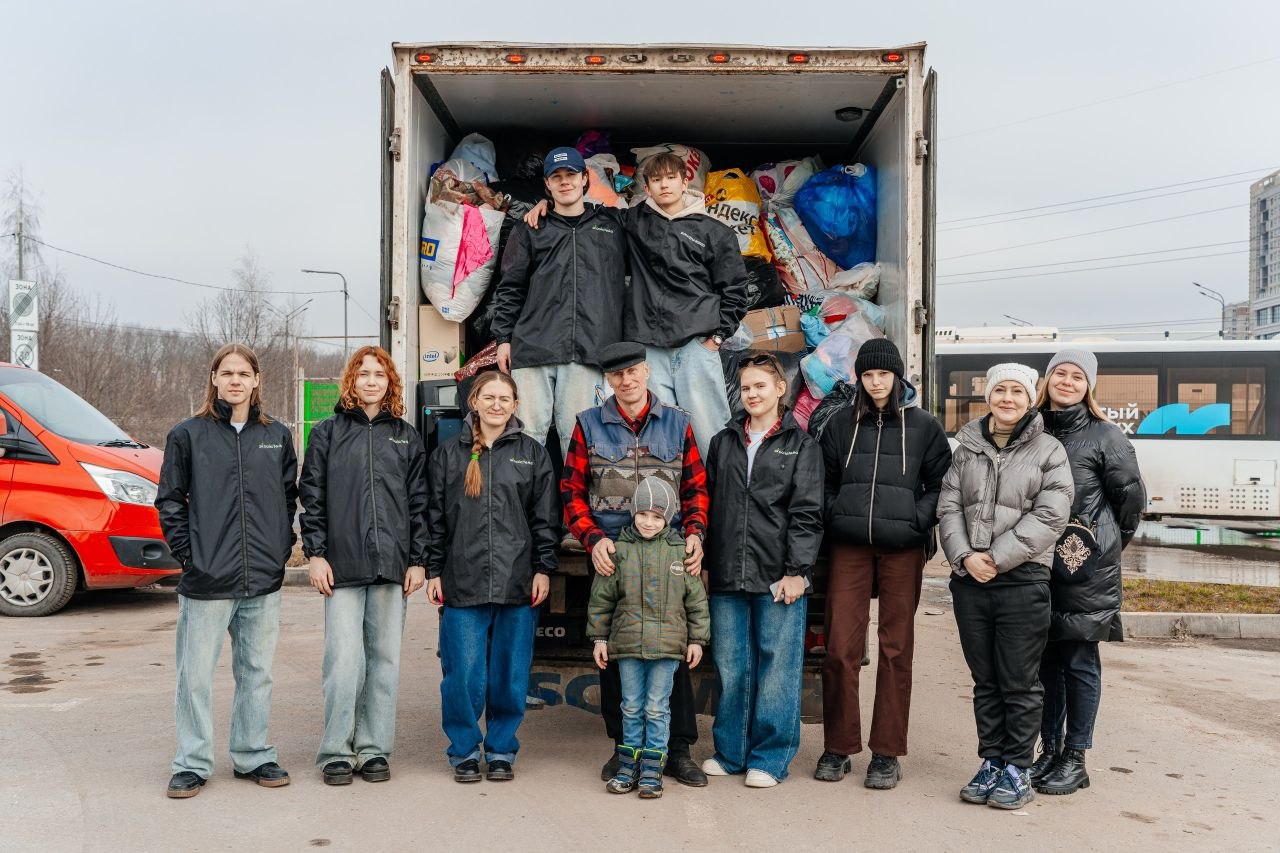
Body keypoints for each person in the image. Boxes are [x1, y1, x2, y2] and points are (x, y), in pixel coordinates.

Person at [526, 152, 751, 453]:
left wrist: (718, 335)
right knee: (660, 434)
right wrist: (546, 206)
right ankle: (674, 499)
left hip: (695, 344)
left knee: (710, 431)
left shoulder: (714, 232)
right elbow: (584, 214)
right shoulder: (633, 221)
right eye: (656, 180)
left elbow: (736, 289)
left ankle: (722, 498)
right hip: (649, 348)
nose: (664, 186)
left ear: (686, 182)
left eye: (671, 178)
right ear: (646, 187)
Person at [560, 341, 710, 788]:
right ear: (607, 380)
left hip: (669, 555)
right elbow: (571, 490)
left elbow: (696, 486)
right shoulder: (588, 424)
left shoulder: (678, 423)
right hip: (613, 554)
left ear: (647, 372)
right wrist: (593, 540)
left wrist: (696, 533)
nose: (626, 381)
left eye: (633, 372)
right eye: (616, 374)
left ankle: (677, 750)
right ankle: (622, 746)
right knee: (616, 653)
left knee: (673, 650)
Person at [156, 343, 298, 799]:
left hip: (263, 578)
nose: (235, 380)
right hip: (206, 581)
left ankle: (253, 754)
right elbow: (169, 501)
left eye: (244, 373)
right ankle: (192, 762)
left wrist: (281, 547)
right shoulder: (188, 434)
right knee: (195, 675)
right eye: (227, 372)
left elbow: (288, 497)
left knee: (256, 672)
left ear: (256, 381)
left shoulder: (277, 434)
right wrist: (188, 554)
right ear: (214, 379)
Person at [815, 339, 953, 789]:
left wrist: (916, 520)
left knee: (896, 650)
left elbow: (941, 483)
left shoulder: (925, 426)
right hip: (849, 546)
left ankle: (887, 753)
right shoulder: (840, 423)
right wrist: (837, 513)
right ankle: (838, 747)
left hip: (903, 549)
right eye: (868, 375)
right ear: (859, 377)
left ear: (897, 376)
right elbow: (824, 480)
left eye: (883, 374)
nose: (875, 382)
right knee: (840, 649)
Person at [937, 362, 1073, 811]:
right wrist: (963, 557)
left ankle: (1018, 766)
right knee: (986, 680)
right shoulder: (967, 447)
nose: (1008, 398)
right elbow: (949, 506)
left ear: (1031, 396)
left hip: (1023, 578)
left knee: (1018, 680)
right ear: (988, 396)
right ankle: (991, 761)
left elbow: (1052, 514)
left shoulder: (1049, 450)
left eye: (1017, 390)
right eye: (1000, 390)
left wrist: (996, 558)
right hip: (971, 581)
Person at [299, 346, 429, 786]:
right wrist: (315, 553)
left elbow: (420, 503)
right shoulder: (327, 433)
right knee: (343, 661)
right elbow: (311, 498)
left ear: (390, 382)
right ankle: (336, 750)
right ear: (350, 381)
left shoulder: (406, 437)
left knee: (385, 661)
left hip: (392, 567)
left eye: (379, 374)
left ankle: (374, 749)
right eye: (364, 373)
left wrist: (418, 560)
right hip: (341, 566)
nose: (371, 381)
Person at [425, 370, 558, 783]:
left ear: (516, 405)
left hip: (518, 582)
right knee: (462, 674)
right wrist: (433, 570)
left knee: (510, 674)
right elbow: (433, 519)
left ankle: (501, 749)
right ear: (474, 402)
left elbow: (545, 519)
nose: (497, 404)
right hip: (462, 580)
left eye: (505, 398)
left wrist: (543, 568)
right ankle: (464, 751)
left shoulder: (532, 454)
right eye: (489, 397)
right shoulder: (448, 455)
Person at [701, 353, 823, 788]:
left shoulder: (802, 445)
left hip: (778, 575)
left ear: (779, 390)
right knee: (731, 666)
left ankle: (770, 758)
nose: (752, 394)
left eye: (760, 386)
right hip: (727, 573)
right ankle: (730, 752)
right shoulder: (724, 441)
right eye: (746, 387)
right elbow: (711, 505)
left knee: (777, 669)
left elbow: (807, 513)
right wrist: (707, 564)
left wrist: (797, 571)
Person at [1029, 349, 1145, 796]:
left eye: (1078, 376)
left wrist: (1104, 544)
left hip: (1085, 567)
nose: (1068, 381)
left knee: (1078, 660)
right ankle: (1049, 752)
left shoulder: (1105, 437)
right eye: (1061, 372)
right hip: (1037, 562)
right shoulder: (1032, 428)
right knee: (1045, 663)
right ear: (1048, 377)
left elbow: (1130, 501)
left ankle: (1075, 758)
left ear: (1089, 386)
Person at [490, 147, 624, 456]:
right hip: (534, 348)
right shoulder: (531, 228)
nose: (565, 182)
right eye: (556, 177)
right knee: (526, 439)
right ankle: (523, 505)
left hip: (587, 351)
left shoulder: (612, 225)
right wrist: (503, 339)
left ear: (584, 179)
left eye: (571, 175)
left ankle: (572, 506)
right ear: (547, 184)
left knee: (577, 442)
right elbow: (510, 286)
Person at [588, 476, 710, 799]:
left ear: (668, 517)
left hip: (667, 650)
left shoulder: (679, 552)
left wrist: (697, 639)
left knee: (656, 707)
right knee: (630, 706)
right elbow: (602, 598)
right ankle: (629, 765)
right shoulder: (620, 550)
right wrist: (600, 638)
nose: (648, 522)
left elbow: (696, 600)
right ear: (633, 513)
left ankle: (653, 768)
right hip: (627, 647)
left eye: (657, 516)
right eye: (643, 514)